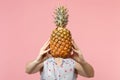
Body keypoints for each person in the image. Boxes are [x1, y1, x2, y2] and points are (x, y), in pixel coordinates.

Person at [25, 38, 94, 80]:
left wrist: (83, 62)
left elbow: (90, 74)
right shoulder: (44, 62)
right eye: (57, 42)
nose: (60, 45)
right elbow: (28, 70)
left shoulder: (72, 63)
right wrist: (37, 60)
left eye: (63, 43)